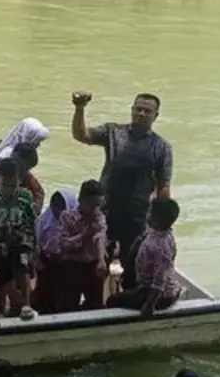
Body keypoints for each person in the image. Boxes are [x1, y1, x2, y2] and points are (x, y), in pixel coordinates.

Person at [70, 91, 172, 273]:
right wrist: (80, 108)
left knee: (132, 267)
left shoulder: (162, 147)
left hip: (137, 216)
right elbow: (81, 135)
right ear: (132, 110)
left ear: (155, 116)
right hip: (104, 211)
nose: (141, 113)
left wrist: (160, 224)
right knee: (94, 263)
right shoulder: (113, 132)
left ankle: (124, 296)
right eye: (138, 109)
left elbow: (163, 187)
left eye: (147, 111)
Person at [0, 158, 38, 319]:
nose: (8, 189)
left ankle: (26, 305)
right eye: (4, 184)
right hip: (0, 241)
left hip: (21, 241)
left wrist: (34, 246)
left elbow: (32, 222)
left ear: (19, 181)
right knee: (3, 275)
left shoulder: (26, 197)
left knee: (23, 270)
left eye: (13, 185)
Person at [107, 197, 182, 318]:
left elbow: (160, 277)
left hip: (157, 295)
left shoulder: (160, 246)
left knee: (112, 300)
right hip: (150, 286)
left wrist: (149, 305)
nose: (147, 214)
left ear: (157, 219)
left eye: (149, 212)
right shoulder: (164, 235)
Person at [56, 179, 108, 311]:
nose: (95, 209)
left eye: (99, 205)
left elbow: (100, 237)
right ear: (81, 200)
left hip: (92, 264)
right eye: (92, 205)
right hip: (73, 264)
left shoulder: (99, 216)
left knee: (96, 305)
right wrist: (83, 236)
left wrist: (101, 260)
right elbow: (63, 244)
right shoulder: (67, 217)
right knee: (68, 305)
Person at [31, 188, 77, 314]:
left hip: (69, 261)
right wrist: (38, 260)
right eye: (54, 207)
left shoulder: (77, 221)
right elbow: (36, 242)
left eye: (61, 208)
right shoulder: (44, 221)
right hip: (47, 260)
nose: (57, 212)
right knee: (45, 291)